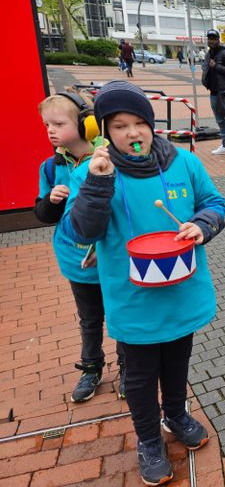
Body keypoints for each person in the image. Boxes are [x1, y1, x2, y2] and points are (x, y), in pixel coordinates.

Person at [61, 81, 225, 486]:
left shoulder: (184, 163)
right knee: (138, 375)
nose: (133, 133)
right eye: (120, 126)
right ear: (103, 131)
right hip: (132, 297)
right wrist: (98, 184)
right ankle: (149, 440)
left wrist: (203, 225)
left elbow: (214, 203)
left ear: (152, 125)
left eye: (140, 123)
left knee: (178, 360)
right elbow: (81, 231)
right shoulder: (90, 172)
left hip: (182, 291)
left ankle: (176, 415)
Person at [34, 91, 125, 403]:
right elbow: (43, 215)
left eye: (59, 123)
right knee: (89, 319)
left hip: (111, 259)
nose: (51, 130)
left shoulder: (108, 160)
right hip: (74, 261)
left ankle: (127, 367)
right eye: (47, 124)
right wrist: (50, 202)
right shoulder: (51, 167)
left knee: (119, 314)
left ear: (88, 125)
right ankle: (91, 367)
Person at [201, 29, 225, 159]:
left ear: (218, 40)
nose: (211, 41)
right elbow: (206, 69)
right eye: (209, 39)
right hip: (213, 93)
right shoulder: (208, 55)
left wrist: (216, 66)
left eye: (213, 38)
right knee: (219, 121)